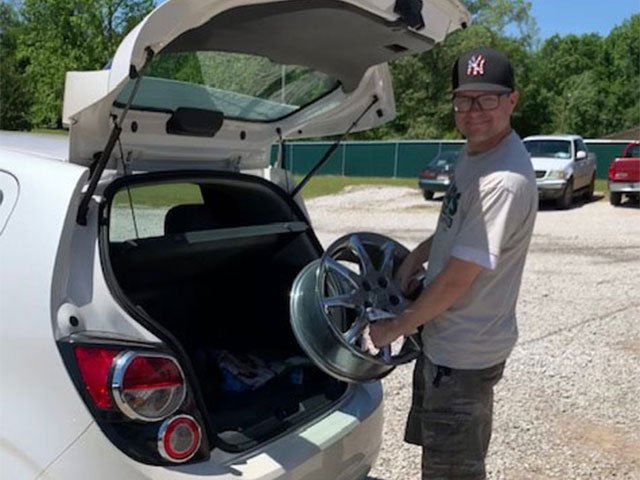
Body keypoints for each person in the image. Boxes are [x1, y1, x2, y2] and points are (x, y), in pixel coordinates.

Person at [369, 47, 538, 479]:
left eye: (486, 99)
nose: (473, 111)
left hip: (462, 356)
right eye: (463, 99)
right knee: (443, 458)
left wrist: (396, 325)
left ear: (512, 101)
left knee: (453, 471)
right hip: (448, 341)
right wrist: (417, 258)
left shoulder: (503, 180)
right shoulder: (477, 153)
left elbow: (458, 280)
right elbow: (455, 224)